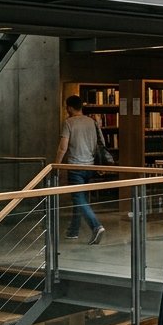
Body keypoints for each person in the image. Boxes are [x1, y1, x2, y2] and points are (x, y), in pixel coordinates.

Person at [54, 95, 106, 245]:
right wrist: (100, 165)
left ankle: (96, 226)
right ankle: (73, 231)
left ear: (70, 108)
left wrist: (57, 165)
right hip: (89, 166)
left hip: (75, 166)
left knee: (78, 198)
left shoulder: (68, 123)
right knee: (81, 198)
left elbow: (63, 146)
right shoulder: (92, 122)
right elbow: (99, 145)